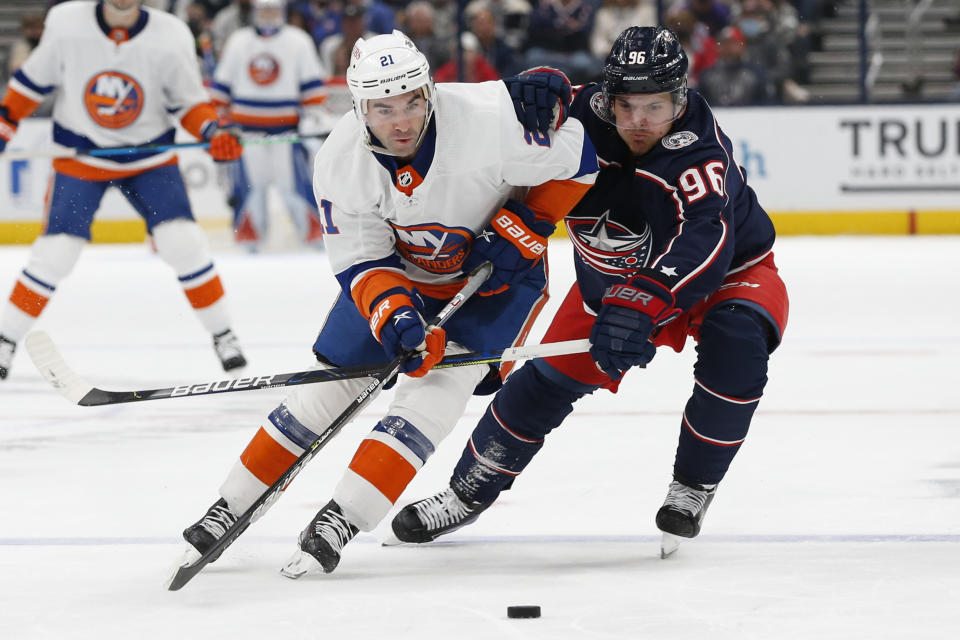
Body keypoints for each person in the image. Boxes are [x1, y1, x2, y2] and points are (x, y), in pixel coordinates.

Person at [174, 30, 598, 578]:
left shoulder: (487, 119)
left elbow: (581, 158)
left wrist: (528, 225)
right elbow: (362, 260)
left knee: (432, 400)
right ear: (359, 106)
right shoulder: (339, 160)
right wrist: (395, 314)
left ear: (429, 91)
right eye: (383, 108)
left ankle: (342, 518)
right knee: (326, 393)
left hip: (496, 278)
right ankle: (228, 504)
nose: (402, 121)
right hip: (401, 276)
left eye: (413, 101)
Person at [391, 25, 789, 558]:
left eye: (657, 107)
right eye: (627, 107)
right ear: (607, 97)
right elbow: (471, 120)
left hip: (727, 273)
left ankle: (693, 486)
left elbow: (708, 236)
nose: (641, 122)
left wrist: (647, 298)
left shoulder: (698, 150)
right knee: (542, 385)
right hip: (614, 283)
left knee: (737, 345)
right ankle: (466, 493)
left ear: (681, 97)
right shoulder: (576, 116)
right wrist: (521, 87)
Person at [0, 0, 248, 381]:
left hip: (149, 158)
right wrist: (5, 122)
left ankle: (223, 334)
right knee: (56, 253)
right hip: (81, 156)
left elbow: (190, 103)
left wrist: (213, 132)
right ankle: (5, 339)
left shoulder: (171, 33)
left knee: (183, 243)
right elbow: (32, 82)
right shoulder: (66, 21)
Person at [210, 0, 329, 250]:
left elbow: (313, 92)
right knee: (250, 189)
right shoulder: (239, 41)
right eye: (263, 10)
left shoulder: (298, 41)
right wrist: (220, 122)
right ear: (254, 12)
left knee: (295, 187)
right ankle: (249, 237)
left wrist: (312, 121)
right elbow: (221, 90)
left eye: (273, 10)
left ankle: (314, 235)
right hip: (245, 134)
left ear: (283, 12)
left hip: (287, 133)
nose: (268, 16)